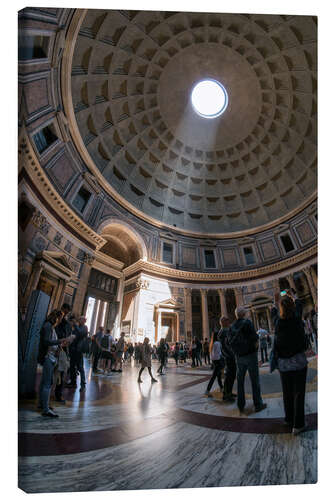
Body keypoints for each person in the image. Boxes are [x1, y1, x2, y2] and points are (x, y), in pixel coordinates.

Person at [271, 290, 308, 435]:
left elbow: (273, 311)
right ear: (292, 307)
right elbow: (299, 305)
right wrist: (294, 296)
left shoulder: (277, 322)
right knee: (299, 393)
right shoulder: (297, 318)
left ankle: (288, 418)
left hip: (283, 364)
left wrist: (275, 302)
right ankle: (298, 425)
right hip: (298, 361)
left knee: (287, 392)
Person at [229, 307, 267, 414]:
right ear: (244, 314)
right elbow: (255, 338)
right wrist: (255, 350)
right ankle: (258, 404)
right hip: (250, 355)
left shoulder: (232, 326)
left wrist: (237, 353)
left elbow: (229, 342)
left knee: (240, 381)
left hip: (239, 357)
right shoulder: (247, 323)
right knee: (254, 380)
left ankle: (240, 405)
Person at [38, 310, 72, 417]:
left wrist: (60, 344)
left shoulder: (50, 327)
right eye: (60, 318)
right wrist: (60, 340)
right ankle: (45, 409)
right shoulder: (48, 326)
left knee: (45, 382)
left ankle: (42, 403)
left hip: (51, 357)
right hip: (48, 357)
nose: (61, 320)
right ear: (56, 317)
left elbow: (51, 342)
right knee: (47, 383)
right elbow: (46, 342)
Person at [54, 303, 72, 403]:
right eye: (65, 312)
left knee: (61, 373)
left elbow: (67, 334)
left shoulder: (66, 323)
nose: (65, 314)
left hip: (62, 349)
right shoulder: (56, 320)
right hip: (57, 349)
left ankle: (58, 394)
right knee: (56, 374)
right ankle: (56, 394)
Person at [66, 316, 88, 391]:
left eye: (80, 319)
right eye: (79, 319)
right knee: (72, 367)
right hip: (73, 350)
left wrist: (75, 325)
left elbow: (81, 333)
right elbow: (73, 336)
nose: (79, 320)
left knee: (80, 368)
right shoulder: (77, 327)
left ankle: (83, 385)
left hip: (79, 351)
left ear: (84, 320)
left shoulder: (85, 327)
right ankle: (73, 382)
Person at [218, 317, 237, 402]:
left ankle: (228, 392)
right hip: (229, 357)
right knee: (230, 376)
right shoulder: (224, 332)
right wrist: (232, 354)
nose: (229, 322)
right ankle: (226, 395)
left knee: (231, 376)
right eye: (227, 320)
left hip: (229, 356)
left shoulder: (224, 331)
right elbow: (226, 346)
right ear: (223, 322)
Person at [205, 331, 224, 396]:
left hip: (214, 361)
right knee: (214, 376)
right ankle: (207, 390)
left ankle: (221, 388)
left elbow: (212, 354)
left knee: (218, 376)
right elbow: (219, 353)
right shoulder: (218, 343)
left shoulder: (212, 343)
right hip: (218, 360)